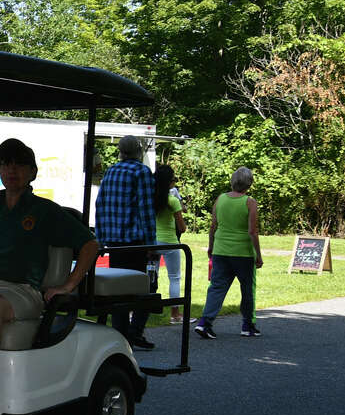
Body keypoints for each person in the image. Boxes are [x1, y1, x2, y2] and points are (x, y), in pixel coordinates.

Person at [0, 138, 99, 415]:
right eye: (6, 163)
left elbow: (90, 244)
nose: (11, 169)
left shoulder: (44, 210)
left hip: (21, 290)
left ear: (32, 172)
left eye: (19, 164)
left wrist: (67, 286)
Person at [95, 135, 157, 350]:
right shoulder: (141, 172)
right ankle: (135, 332)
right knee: (143, 288)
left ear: (120, 150)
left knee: (118, 290)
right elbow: (146, 210)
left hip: (113, 241)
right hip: (134, 241)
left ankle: (120, 335)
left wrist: (101, 238)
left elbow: (100, 204)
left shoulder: (111, 171)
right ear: (139, 150)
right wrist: (151, 243)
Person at [194, 167, 264, 339]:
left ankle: (205, 322)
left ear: (233, 181)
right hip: (243, 253)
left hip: (221, 250)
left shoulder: (221, 199)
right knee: (247, 289)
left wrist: (211, 246)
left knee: (216, 288)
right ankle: (247, 325)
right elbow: (252, 231)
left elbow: (213, 226)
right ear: (249, 183)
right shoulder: (250, 202)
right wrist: (259, 255)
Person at [154, 164, 187, 323]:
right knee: (174, 277)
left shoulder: (150, 198)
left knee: (150, 276)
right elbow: (182, 227)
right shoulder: (173, 200)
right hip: (170, 242)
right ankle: (175, 314)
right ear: (169, 182)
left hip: (153, 242)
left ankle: (139, 311)